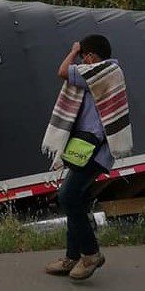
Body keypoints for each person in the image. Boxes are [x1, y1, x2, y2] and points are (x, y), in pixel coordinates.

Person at [42, 34, 133, 280]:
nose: (82, 61)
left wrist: (73, 51)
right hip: (83, 147)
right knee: (77, 199)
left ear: (91, 56)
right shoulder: (97, 75)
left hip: (96, 149)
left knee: (68, 196)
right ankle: (72, 257)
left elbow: (62, 71)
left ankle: (91, 254)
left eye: (84, 57)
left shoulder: (107, 70)